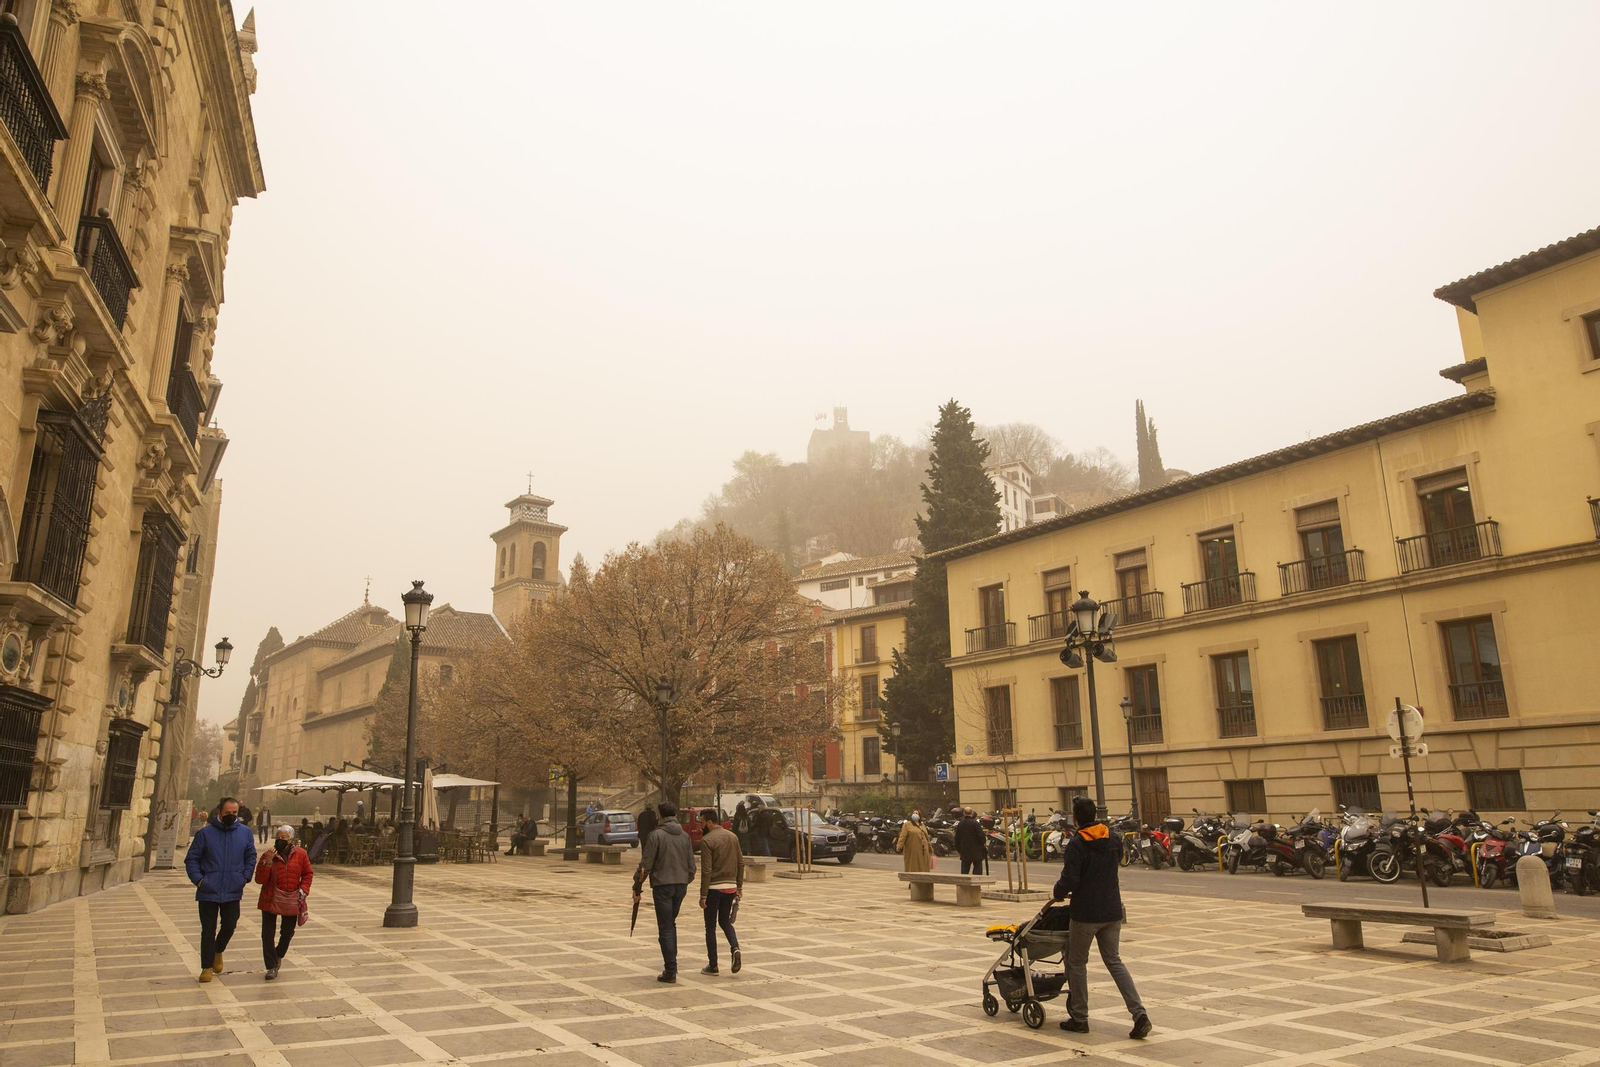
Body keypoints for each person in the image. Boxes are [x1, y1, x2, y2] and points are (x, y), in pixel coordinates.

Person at [1052, 795, 1151, 1039]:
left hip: (1086, 913)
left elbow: (1071, 879)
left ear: (1076, 819)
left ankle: (1079, 1018)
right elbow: (1115, 863)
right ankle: (1140, 1014)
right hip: (1112, 911)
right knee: (1114, 961)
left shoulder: (1077, 843)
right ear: (1095, 816)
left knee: (1076, 962)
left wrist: (1058, 892)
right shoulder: (1113, 838)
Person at [183, 797, 256, 983]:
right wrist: (199, 880)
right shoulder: (205, 834)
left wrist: (245, 877)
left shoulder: (245, 833)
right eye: (228, 813)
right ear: (219, 813)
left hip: (233, 887)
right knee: (208, 929)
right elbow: (192, 859)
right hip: (208, 889)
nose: (232, 816)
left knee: (230, 925)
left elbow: (250, 856)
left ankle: (218, 950)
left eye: (235, 813)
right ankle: (206, 967)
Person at [633, 802, 696, 983]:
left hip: (663, 885)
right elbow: (692, 866)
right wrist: (684, 880)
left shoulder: (656, 836)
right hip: (680, 885)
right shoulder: (684, 836)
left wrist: (637, 886)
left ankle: (671, 969)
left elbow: (646, 865)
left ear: (660, 816)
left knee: (666, 926)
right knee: (671, 923)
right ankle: (671, 965)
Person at [255, 825, 312, 980]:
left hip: (290, 898)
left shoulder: (301, 854)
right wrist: (267, 862)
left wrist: (303, 889)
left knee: (287, 932)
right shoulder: (269, 855)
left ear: (291, 840)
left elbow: (307, 873)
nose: (280, 841)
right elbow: (259, 879)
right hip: (270, 897)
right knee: (267, 934)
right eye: (278, 838)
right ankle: (271, 966)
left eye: (284, 838)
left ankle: (278, 954)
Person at [696, 808, 743, 975]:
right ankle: (735, 947)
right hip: (730, 887)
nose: (701, 826)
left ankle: (713, 965)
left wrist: (703, 895)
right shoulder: (733, 837)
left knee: (710, 926)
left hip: (714, 888)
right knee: (725, 921)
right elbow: (740, 863)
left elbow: (706, 870)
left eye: (702, 823)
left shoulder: (707, 840)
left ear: (709, 822)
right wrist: (739, 887)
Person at [955, 807, 987, 875]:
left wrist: (959, 850)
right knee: (977, 869)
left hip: (964, 850)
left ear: (964, 813)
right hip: (976, 851)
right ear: (972, 813)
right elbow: (981, 837)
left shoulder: (960, 824)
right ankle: (976, 884)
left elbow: (957, 838)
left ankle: (964, 885)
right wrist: (982, 844)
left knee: (964, 871)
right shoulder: (975, 823)